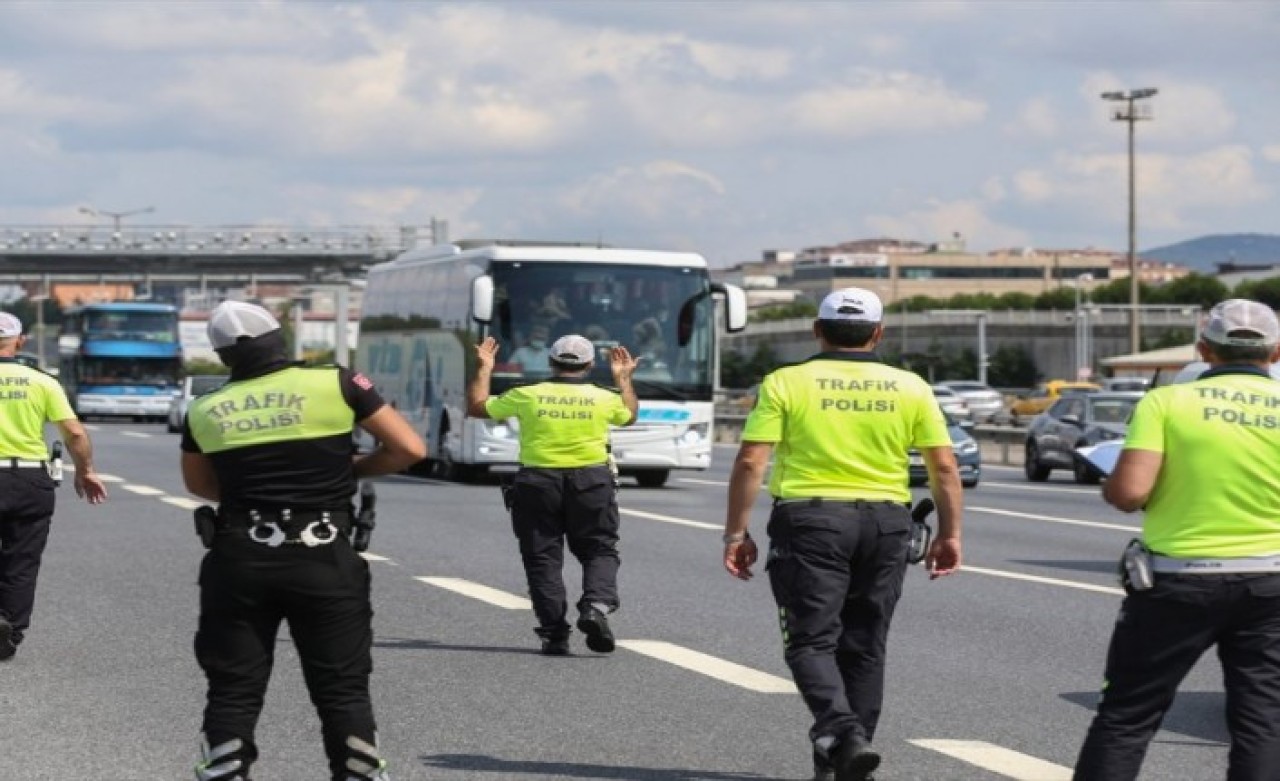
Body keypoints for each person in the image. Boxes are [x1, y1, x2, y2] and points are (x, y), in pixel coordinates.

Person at [721, 288, 963, 781]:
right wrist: (951, 533)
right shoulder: (910, 386)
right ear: (878, 333)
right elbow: (944, 467)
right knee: (865, 644)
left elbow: (751, 460)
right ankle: (846, 760)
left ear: (817, 329)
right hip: (887, 522)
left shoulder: (787, 382)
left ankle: (839, 732)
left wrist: (736, 532)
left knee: (811, 642)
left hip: (811, 521)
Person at [181, 301, 426, 781]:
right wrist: (350, 471)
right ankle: (358, 771)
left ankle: (226, 770)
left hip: (240, 555)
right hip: (324, 551)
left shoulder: (205, 408)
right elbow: (409, 448)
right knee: (341, 685)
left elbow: (202, 486)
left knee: (234, 685)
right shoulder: (338, 383)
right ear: (280, 338)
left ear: (224, 357)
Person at [1074, 298, 1280, 780]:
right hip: (1271, 582)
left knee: (1127, 716)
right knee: (1261, 722)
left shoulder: (1166, 402)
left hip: (1178, 580)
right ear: (1275, 354)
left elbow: (1129, 493)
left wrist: (1120, 480)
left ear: (1204, 350)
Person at [466, 333, 638, 655]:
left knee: (542, 559)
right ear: (589, 365)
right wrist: (624, 379)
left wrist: (484, 367)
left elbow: (477, 408)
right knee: (599, 548)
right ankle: (596, 607)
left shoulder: (526, 394)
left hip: (537, 482)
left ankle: (555, 634)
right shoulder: (603, 398)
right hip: (592, 481)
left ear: (550, 361)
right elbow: (629, 416)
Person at [0, 311, 108, 662]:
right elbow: (74, 432)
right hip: (29, 478)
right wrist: (86, 471)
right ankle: (10, 628)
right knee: (22, 559)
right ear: (20, 341)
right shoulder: (41, 382)